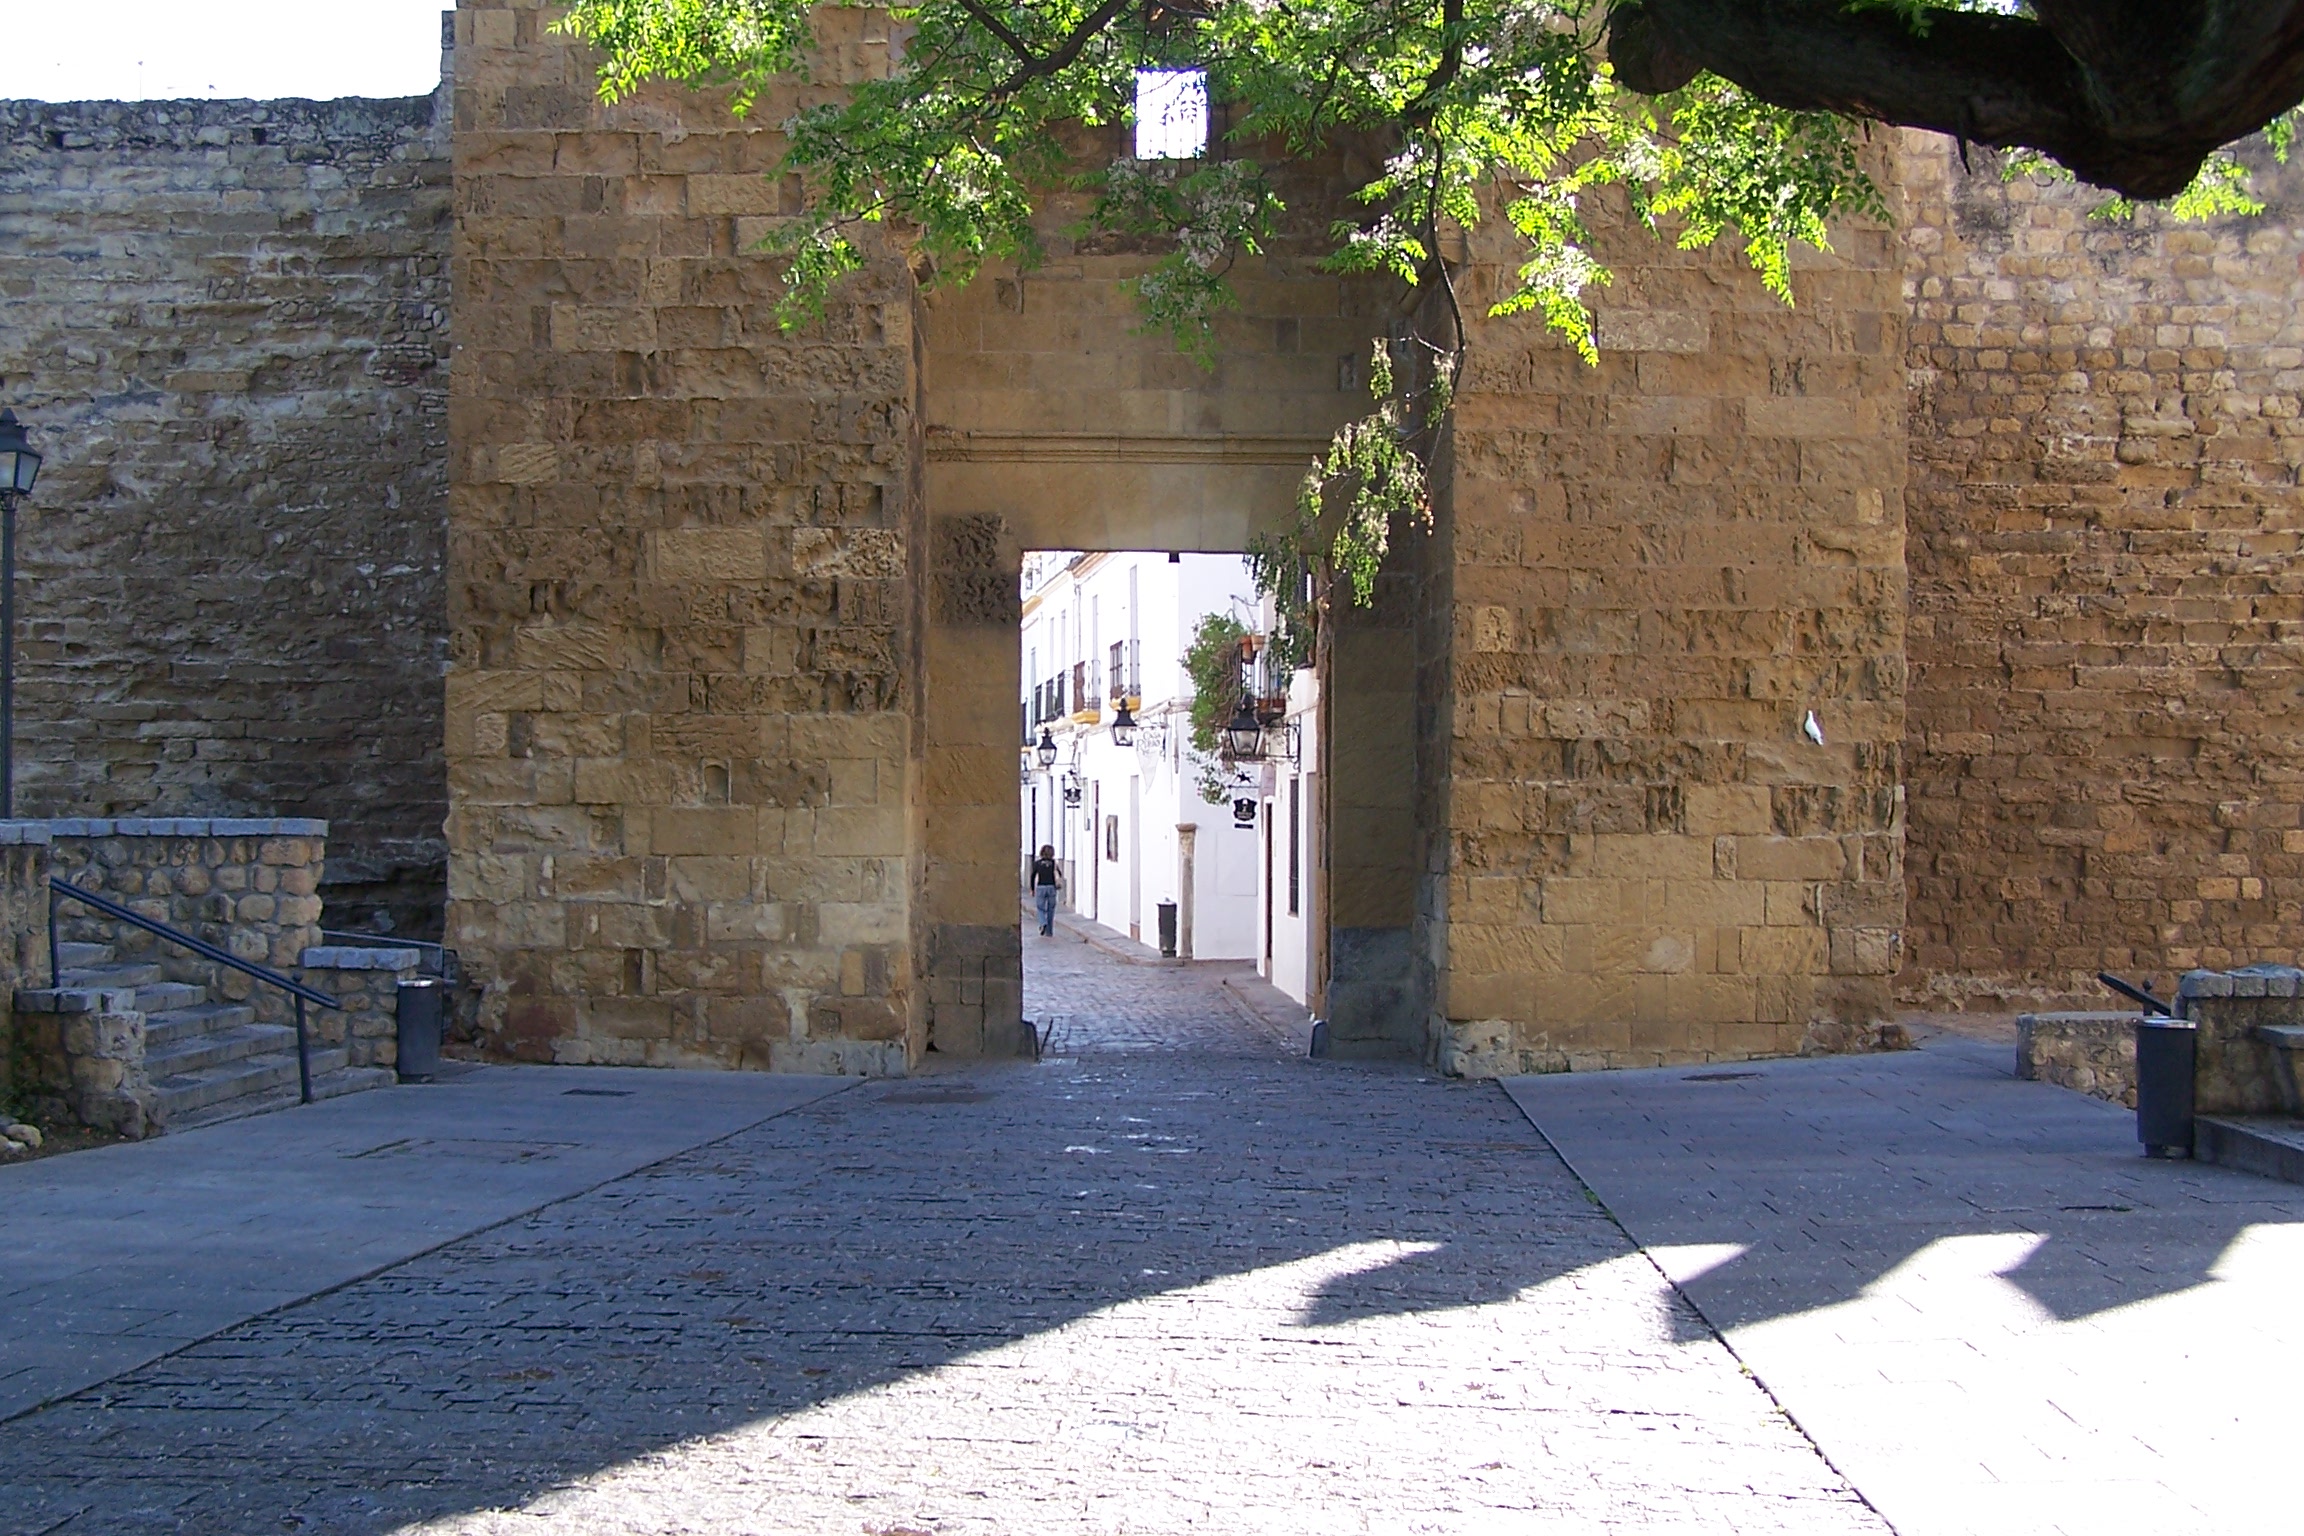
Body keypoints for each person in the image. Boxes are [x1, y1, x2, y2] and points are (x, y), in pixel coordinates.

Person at [1030, 844, 1062, 936]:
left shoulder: (1037, 863)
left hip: (1041, 888)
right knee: (1050, 910)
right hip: (1051, 888)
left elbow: (1032, 876)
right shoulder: (1053, 863)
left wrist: (1032, 889)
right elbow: (1059, 874)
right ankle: (1049, 931)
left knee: (1040, 908)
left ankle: (1043, 922)